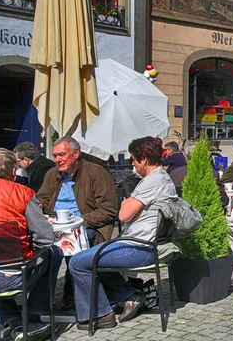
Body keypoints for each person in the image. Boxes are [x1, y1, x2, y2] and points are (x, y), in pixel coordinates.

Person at [69, 137, 178, 330]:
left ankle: (102, 315)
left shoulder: (151, 182)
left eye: (134, 160)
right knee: (94, 253)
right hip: (147, 243)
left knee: (77, 262)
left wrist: (128, 202)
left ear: (144, 159)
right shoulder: (163, 177)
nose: (133, 165)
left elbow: (123, 214)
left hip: (138, 247)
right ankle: (127, 295)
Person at [37, 136, 118, 309]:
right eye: (55, 156)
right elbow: (41, 198)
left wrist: (79, 221)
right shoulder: (53, 174)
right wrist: (39, 207)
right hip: (54, 226)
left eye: (61, 155)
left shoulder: (95, 173)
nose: (58, 160)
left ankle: (72, 295)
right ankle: (40, 303)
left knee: (72, 245)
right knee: (40, 250)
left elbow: (109, 210)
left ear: (76, 153)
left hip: (89, 226)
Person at [0, 148, 63, 341]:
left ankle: (13, 319)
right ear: (13, 171)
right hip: (15, 273)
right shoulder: (22, 193)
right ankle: (34, 315)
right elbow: (45, 238)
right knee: (53, 253)